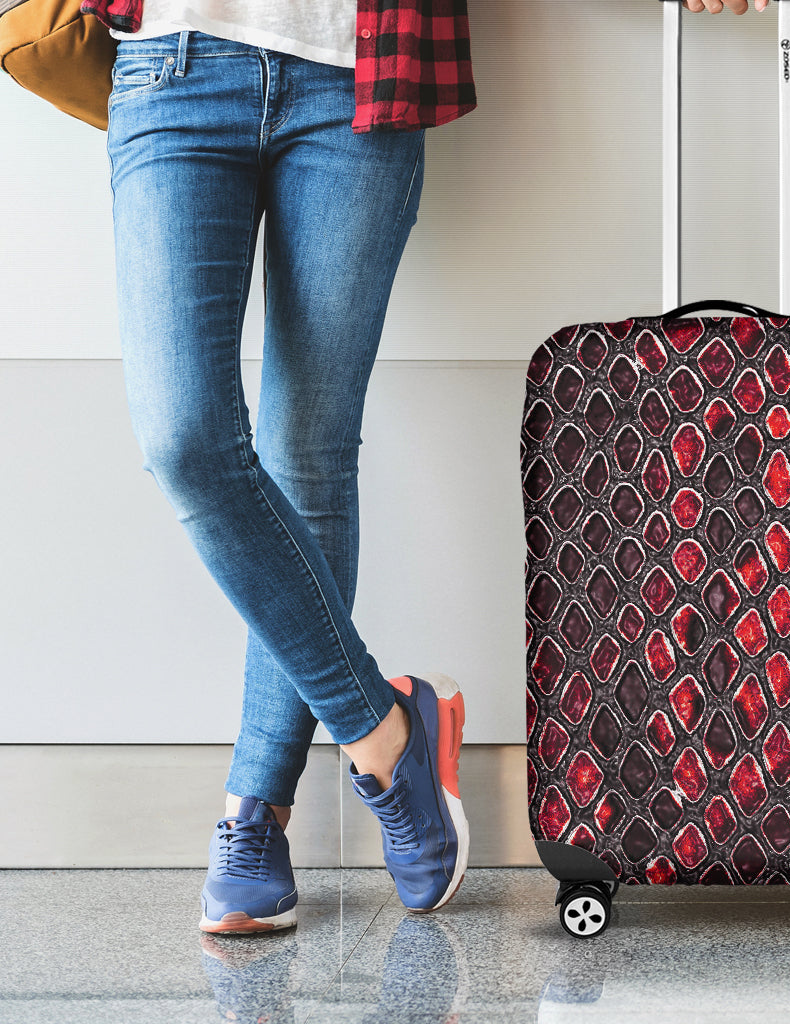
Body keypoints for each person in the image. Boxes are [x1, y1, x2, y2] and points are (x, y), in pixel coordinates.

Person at [87, 0, 477, 932]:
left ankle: (255, 812)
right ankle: (386, 730)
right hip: (173, 69)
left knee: (307, 457)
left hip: (359, 77)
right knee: (184, 442)